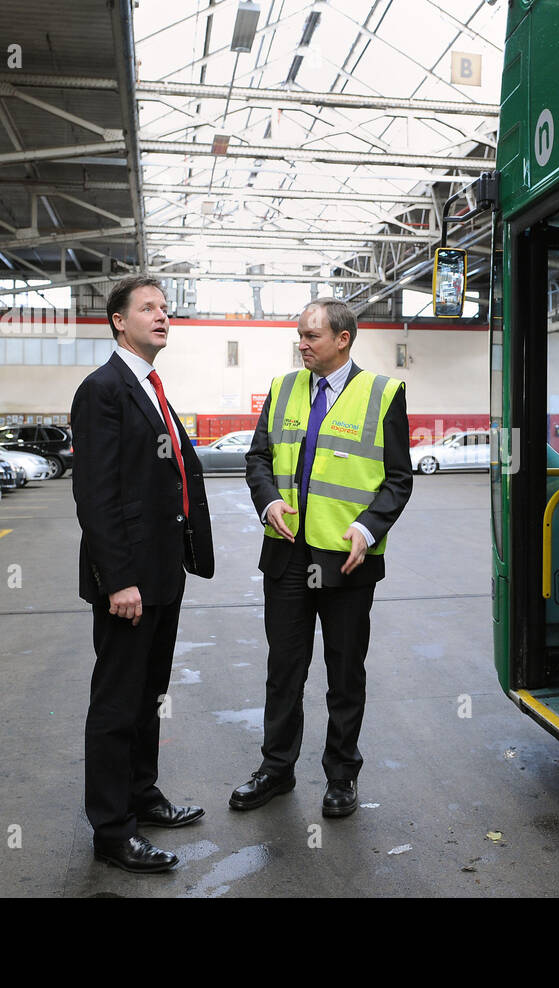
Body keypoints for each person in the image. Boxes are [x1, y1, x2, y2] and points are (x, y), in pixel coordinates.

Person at [233, 298, 412, 818]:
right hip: (287, 558)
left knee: (344, 672)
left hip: (347, 563)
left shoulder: (383, 394)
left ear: (343, 339)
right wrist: (267, 501)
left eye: (312, 336)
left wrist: (367, 526)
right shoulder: (284, 387)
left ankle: (341, 777)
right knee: (283, 668)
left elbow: (399, 478)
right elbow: (258, 458)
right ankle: (276, 769)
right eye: (299, 335)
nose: (302, 344)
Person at [71, 275, 215, 873]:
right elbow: (96, 495)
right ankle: (112, 831)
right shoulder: (102, 390)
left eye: (166, 308)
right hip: (129, 581)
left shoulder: (153, 388)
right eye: (148, 308)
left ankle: (142, 794)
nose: (162, 316)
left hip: (163, 574)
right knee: (116, 703)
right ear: (118, 322)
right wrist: (118, 578)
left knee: (149, 694)